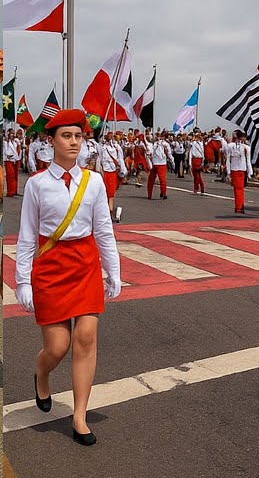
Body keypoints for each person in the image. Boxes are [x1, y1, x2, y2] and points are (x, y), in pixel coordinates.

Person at [14, 109, 121, 446]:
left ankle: (79, 416)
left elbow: (103, 229)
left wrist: (113, 269)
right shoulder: (37, 184)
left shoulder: (94, 181)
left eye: (78, 136)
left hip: (85, 265)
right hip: (51, 267)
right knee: (57, 347)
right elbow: (27, 236)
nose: (74, 142)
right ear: (51, 140)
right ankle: (41, 374)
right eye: (66, 136)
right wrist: (22, 281)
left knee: (85, 338)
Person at [98, 132, 124, 223]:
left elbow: (120, 159)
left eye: (111, 137)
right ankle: (104, 213)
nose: (110, 138)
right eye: (108, 137)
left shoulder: (116, 147)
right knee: (104, 194)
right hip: (104, 172)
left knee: (111, 194)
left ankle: (110, 212)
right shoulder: (101, 147)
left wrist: (123, 171)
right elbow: (99, 159)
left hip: (112, 172)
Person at [226, 130, 250, 214]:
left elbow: (248, 160)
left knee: (239, 189)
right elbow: (228, 159)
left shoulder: (246, 147)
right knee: (238, 189)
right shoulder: (231, 146)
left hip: (241, 169)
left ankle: (239, 206)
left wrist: (249, 172)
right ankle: (239, 206)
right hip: (236, 169)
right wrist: (228, 171)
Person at [145, 131, 172, 200]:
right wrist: (172, 161)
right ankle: (163, 193)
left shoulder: (154, 144)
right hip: (162, 163)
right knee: (162, 180)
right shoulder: (166, 144)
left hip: (155, 163)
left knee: (151, 180)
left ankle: (149, 195)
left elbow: (150, 152)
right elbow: (169, 154)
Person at [5, 129, 21, 196]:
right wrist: (8, 156)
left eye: (13, 133)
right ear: (8, 133)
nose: (13, 135)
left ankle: (14, 191)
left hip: (15, 160)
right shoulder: (6, 142)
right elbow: (5, 152)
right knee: (10, 176)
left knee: (15, 176)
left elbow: (17, 151)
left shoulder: (15, 142)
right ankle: (10, 192)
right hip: (9, 160)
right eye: (11, 133)